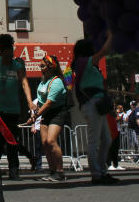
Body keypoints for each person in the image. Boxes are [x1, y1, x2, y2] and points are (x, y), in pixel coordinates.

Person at [0, 33, 37, 179]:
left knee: (12, 141)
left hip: (12, 109)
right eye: (7, 53)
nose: (11, 56)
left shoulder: (17, 65)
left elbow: (24, 82)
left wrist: (29, 102)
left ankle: (14, 170)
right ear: (1, 51)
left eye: (12, 52)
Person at [72, 34, 117, 184]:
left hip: (97, 104)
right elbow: (104, 51)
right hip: (92, 104)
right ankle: (97, 174)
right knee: (95, 141)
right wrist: (110, 35)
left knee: (106, 139)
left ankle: (101, 170)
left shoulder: (85, 64)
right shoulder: (83, 62)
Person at [26, 54, 69, 181]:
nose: (40, 67)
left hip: (57, 113)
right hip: (46, 114)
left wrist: (34, 118)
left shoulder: (57, 82)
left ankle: (60, 172)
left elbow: (49, 102)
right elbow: (40, 101)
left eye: (43, 65)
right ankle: (52, 171)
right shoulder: (43, 81)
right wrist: (33, 112)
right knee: (44, 143)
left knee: (51, 141)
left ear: (51, 67)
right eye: (40, 65)